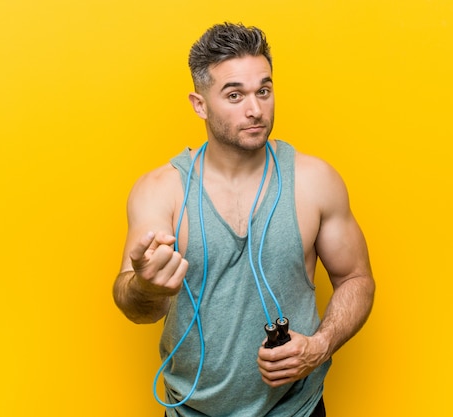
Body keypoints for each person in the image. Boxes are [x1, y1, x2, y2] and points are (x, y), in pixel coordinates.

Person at [113, 22, 375, 417]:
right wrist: (147, 287)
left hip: (297, 408)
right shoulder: (161, 191)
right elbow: (137, 308)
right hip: (191, 410)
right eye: (234, 95)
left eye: (263, 91)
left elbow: (356, 278)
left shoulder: (314, 181)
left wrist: (319, 346)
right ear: (199, 104)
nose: (255, 109)